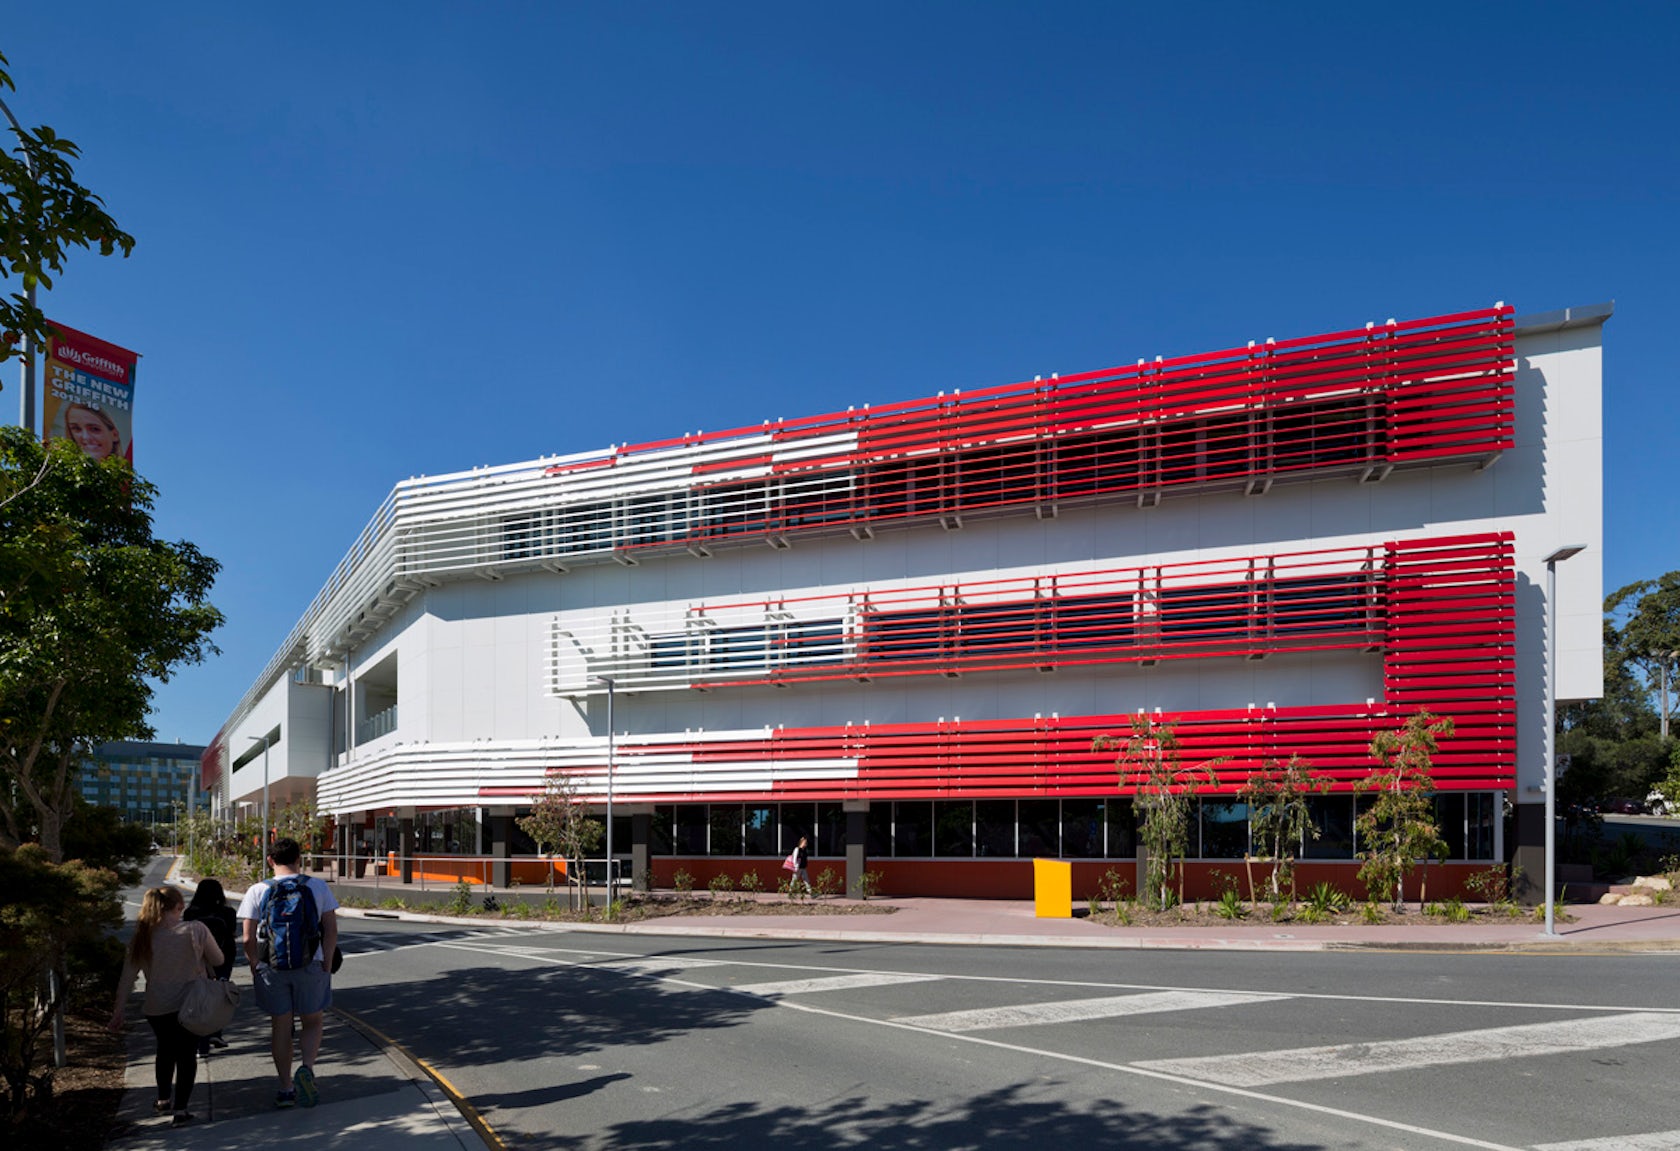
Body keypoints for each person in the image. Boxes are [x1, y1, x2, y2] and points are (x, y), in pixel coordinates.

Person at [107, 885, 224, 1128]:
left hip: (157, 1007)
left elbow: (127, 978)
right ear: (179, 906)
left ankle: (162, 1099)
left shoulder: (142, 937)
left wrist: (118, 1010)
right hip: (191, 1005)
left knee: (165, 1050)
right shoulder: (196, 930)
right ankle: (181, 1109)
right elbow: (219, 960)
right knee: (186, 1055)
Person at [237, 838, 339, 1110]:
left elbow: (247, 937)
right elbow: (330, 929)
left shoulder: (258, 890)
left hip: (272, 967)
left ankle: (285, 1088)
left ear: (270, 860)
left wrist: (255, 965)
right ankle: (306, 1068)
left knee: (280, 1028)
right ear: (299, 858)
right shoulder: (316, 886)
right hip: (311, 965)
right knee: (313, 1021)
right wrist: (326, 962)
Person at [184, 879, 238, 1053]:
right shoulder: (228, 912)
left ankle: (201, 1039)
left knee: (201, 995)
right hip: (224, 956)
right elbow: (231, 932)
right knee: (219, 993)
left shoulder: (191, 912)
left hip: (198, 958)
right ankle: (216, 1031)